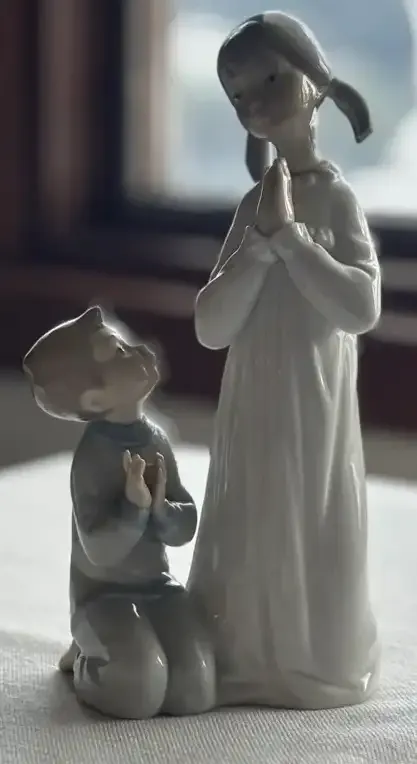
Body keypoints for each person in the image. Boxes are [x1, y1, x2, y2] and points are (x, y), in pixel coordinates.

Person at [187, 11, 381, 711]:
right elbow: (211, 325)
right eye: (239, 94)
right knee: (253, 513)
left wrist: (294, 242)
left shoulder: (335, 198)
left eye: (270, 79)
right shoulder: (252, 207)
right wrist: (259, 248)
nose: (256, 102)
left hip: (313, 400)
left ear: (313, 80)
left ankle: (314, 657)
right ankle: (243, 648)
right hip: (254, 398)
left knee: (309, 513)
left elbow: (359, 306)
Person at [23, 306, 215, 719]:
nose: (138, 349)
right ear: (96, 399)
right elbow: (100, 550)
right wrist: (133, 509)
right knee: (138, 690)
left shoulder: (156, 439)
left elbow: (183, 524)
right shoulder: (92, 457)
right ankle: (86, 659)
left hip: (157, 586)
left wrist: (162, 509)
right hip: (103, 597)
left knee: (195, 687)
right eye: (119, 352)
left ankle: (124, 646)